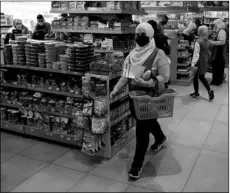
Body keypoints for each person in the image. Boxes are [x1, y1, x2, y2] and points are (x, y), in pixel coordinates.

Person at [110, 22, 170, 179]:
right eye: (138, 34)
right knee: (148, 122)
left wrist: (148, 82)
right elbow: (126, 75)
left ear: (150, 36)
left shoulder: (158, 53)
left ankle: (136, 165)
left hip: (151, 98)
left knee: (142, 130)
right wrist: (116, 89)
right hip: (134, 98)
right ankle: (160, 137)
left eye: (143, 35)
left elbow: (165, 77)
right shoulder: (132, 54)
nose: (140, 37)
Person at [190, 25, 214, 101]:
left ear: (199, 32)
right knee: (202, 77)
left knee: (195, 77)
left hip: (198, 61)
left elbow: (196, 54)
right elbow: (209, 52)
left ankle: (196, 93)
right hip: (205, 61)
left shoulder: (198, 41)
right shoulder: (208, 41)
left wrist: (193, 64)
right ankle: (209, 90)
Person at [209, 19, 226, 86]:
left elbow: (222, 42)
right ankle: (216, 80)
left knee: (217, 67)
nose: (214, 26)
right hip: (217, 52)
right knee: (216, 66)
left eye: (215, 25)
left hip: (219, 52)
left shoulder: (221, 31)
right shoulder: (219, 31)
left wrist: (212, 42)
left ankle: (217, 81)